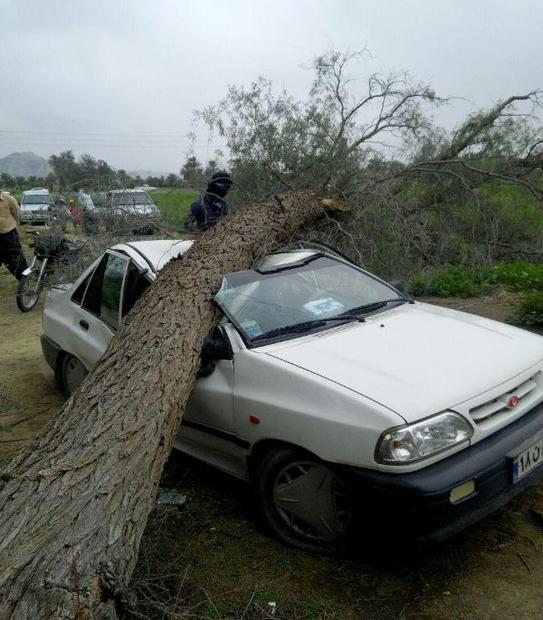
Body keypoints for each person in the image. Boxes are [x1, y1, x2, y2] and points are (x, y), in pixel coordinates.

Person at [0, 190, 28, 280]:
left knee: (18, 263)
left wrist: (13, 225)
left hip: (9, 236)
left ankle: (26, 284)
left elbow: (17, 213)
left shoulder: (8, 198)